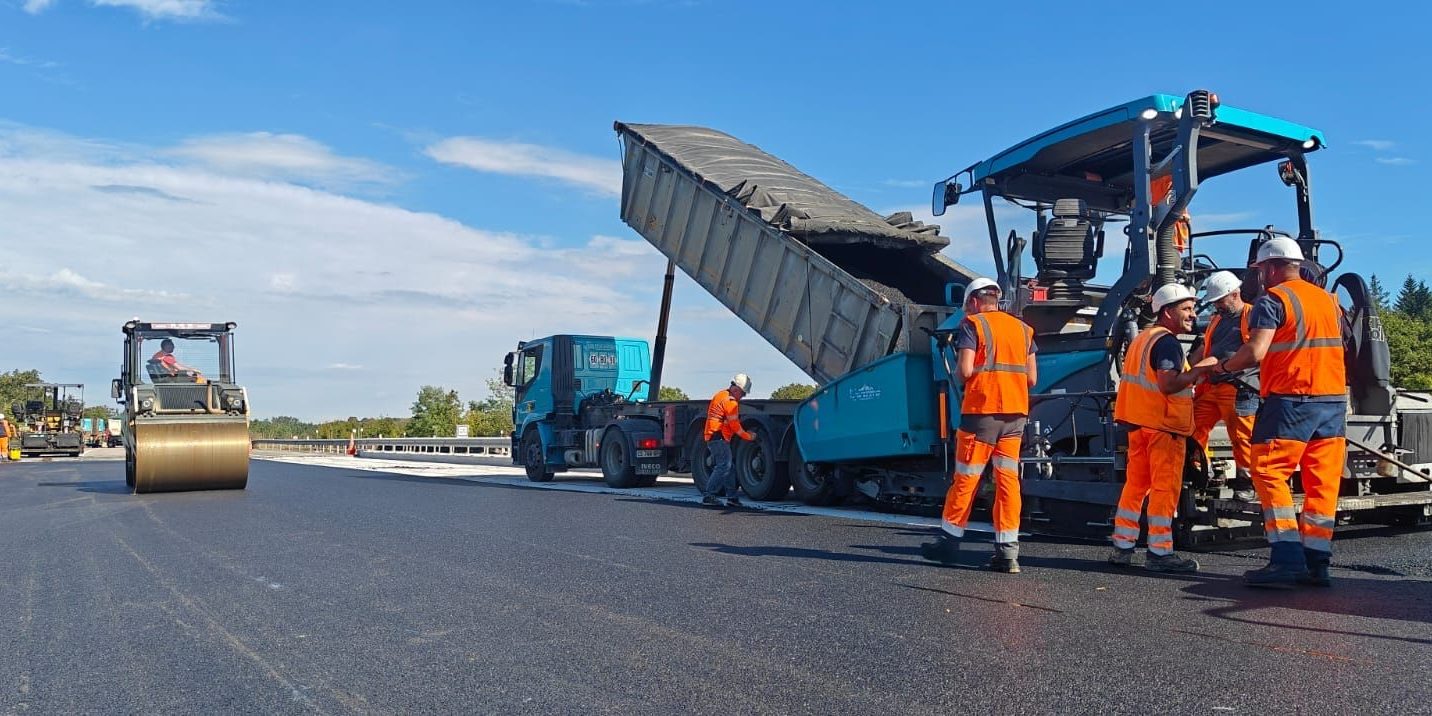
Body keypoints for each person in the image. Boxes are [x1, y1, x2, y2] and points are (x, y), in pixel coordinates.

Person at [1219, 237, 1346, 588]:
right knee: (1322, 483)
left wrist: (1224, 366)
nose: (1261, 276)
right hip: (1333, 402)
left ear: (1271, 268)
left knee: (1269, 471)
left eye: (1261, 270)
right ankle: (1317, 562)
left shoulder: (1273, 299)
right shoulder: (1330, 301)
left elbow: (1255, 352)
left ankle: (1286, 558)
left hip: (1291, 400)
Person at [920, 277, 1036, 574]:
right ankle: (1008, 553)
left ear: (973, 302)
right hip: (1016, 415)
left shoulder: (972, 326)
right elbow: (1032, 379)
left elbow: (965, 370)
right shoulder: (1023, 330)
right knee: (1008, 481)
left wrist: (960, 374)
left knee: (967, 478)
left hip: (982, 412)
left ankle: (948, 543)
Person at [1108, 283, 1217, 572]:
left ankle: (1123, 547)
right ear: (1167, 312)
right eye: (1186, 309)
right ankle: (1159, 553)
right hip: (1163, 427)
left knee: (1135, 487)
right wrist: (1201, 370)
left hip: (1139, 424)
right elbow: (1168, 384)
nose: (1192, 315)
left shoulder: (1144, 338)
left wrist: (1192, 364)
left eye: (1193, 309)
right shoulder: (1167, 342)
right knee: (1164, 490)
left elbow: (1160, 376)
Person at [1189, 271, 1259, 502]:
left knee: (1242, 437)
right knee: (1192, 427)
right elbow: (1206, 348)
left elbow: (1256, 352)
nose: (1217, 305)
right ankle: (1195, 473)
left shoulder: (1252, 316)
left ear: (1235, 294)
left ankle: (1246, 483)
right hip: (1212, 385)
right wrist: (1191, 368)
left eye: (1220, 300)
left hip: (1240, 385)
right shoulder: (1217, 319)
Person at [702, 374, 755, 507]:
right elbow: (735, 426)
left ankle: (732, 497)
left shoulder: (720, 395)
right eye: (742, 394)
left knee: (729, 467)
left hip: (714, 435)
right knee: (724, 466)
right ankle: (709, 495)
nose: (742, 397)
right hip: (718, 437)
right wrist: (749, 437)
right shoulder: (730, 402)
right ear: (736, 389)